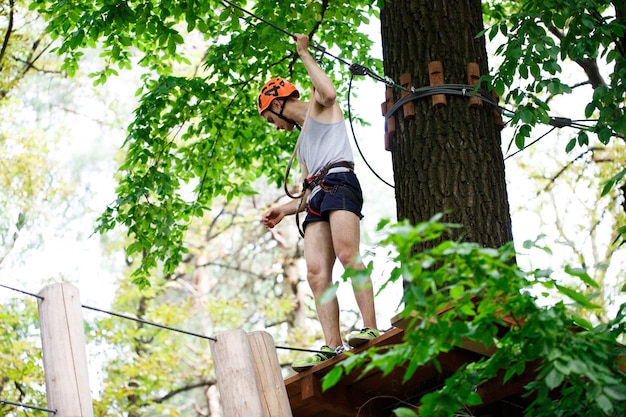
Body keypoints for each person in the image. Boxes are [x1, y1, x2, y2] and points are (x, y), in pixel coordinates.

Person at [259, 34, 379, 372]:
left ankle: (370, 326)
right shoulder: (301, 145)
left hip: (340, 182)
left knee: (347, 254)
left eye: (271, 119)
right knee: (315, 273)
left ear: (277, 103)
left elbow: (329, 91)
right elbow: (305, 191)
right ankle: (332, 344)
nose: (276, 127)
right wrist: (283, 210)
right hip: (316, 196)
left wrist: (303, 52)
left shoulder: (319, 104)